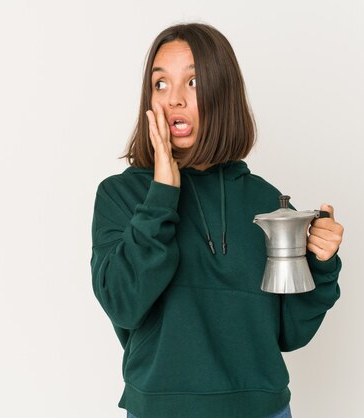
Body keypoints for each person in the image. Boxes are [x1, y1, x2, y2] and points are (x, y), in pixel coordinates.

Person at [89, 22, 344, 418]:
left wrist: (321, 265)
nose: (174, 99)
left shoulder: (264, 200)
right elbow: (123, 303)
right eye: (161, 84)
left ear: (221, 92)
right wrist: (162, 192)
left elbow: (289, 333)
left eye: (192, 82)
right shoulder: (121, 195)